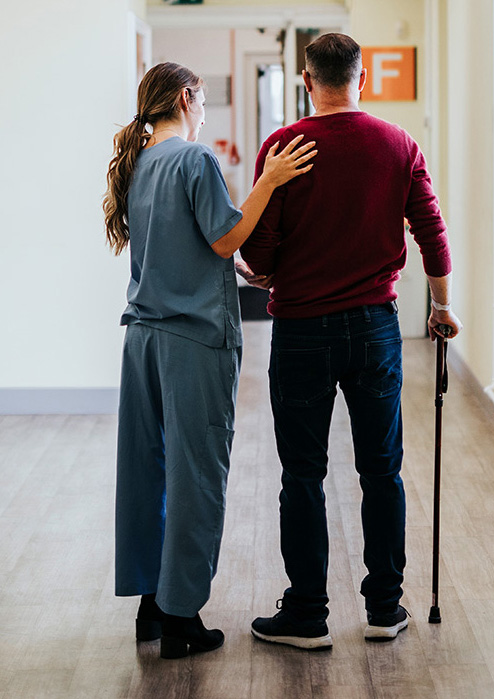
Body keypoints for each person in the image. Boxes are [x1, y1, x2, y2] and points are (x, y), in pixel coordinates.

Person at [241, 33, 463, 650]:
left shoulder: (284, 147)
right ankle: (385, 609)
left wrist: (264, 267)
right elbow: (433, 236)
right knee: (381, 471)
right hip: (375, 328)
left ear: (307, 82)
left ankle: (309, 613)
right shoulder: (398, 145)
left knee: (303, 476)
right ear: (362, 80)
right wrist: (441, 308)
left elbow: (259, 255)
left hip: (301, 332)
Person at [103, 62, 316, 660]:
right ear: (189, 97)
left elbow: (193, 243)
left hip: (142, 337)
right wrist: (269, 180)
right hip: (192, 341)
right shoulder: (194, 160)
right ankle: (181, 619)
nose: (203, 111)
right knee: (197, 475)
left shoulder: (140, 161)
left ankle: (152, 603)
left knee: (149, 474)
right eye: (200, 101)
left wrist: (233, 266)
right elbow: (225, 238)